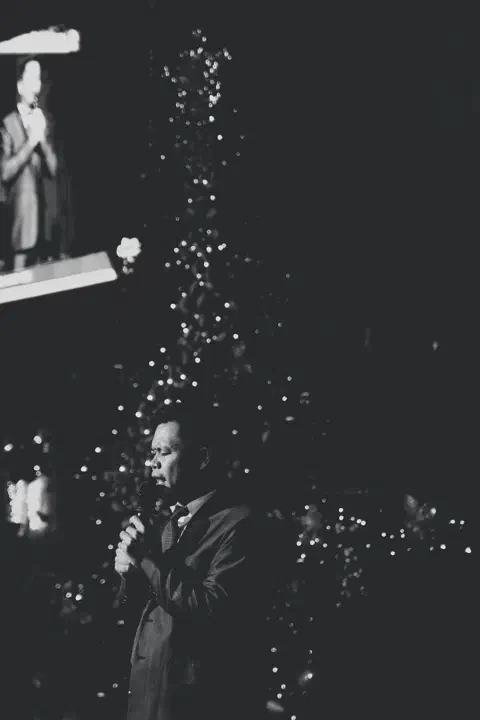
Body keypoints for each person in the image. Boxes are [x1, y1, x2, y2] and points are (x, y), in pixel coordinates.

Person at [115, 406, 274, 720]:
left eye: (165, 452)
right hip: (150, 690)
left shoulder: (238, 524)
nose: (153, 462)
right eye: (152, 452)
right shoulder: (170, 521)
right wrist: (130, 572)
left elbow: (211, 607)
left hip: (190, 700)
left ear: (202, 458)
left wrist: (146, 559)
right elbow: (146, 605)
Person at [0, 57, 57, 271]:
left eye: (39, 79)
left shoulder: (41, 121)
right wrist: (30, 142)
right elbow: (4, 173)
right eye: (32, 78)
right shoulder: (7, 125)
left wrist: (41, 139)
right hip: (20, 232)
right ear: (20, 86)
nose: (36, 86)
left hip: (44, 230)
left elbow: (53, 169)